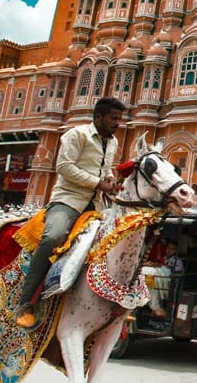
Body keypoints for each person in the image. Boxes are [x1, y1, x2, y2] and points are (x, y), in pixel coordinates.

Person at [15, 97, 124, 327]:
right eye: (114, 118)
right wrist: (97, 183)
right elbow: (63, 166)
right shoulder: (77, 135)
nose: (118, 123)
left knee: (118, 241)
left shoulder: (112, 142)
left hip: (96, 205)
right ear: (98, 117)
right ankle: (26, 302)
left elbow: (105, 171)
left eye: (120, 119)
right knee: (54, 237)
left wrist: (110, 181)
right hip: (68, 200)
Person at [142, 239, 180, 317]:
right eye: (168, 248)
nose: (169, 251)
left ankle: (156, 306)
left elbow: (177, 270)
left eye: (172, 249)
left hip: (169, 282)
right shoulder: (163, 258)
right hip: (157, 280)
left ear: (176, 251)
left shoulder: (177, 261)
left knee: (156, 274)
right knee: (152, 274)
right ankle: (154, 305)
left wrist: (163, 266)